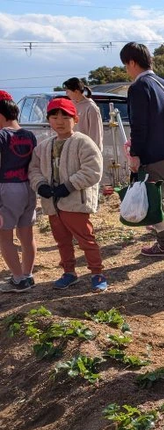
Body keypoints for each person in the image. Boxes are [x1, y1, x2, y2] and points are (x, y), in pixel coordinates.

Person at [28, 98, 107, 292]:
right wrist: (40, 185)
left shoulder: (83, 142)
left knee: (85, 239)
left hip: (75, 201)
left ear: (75, 119)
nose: (60, 121)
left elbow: (93, 170)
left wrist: (69, 185)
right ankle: (69, 272)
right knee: (62, 240)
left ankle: (97, 272)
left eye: (65, 117)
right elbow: (33, 169)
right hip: (52, 202)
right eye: (54, 117)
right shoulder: (43, 146)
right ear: (48, 120)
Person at [120, 42, 164, 258]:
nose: (127, 70)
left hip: (155, 153)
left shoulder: (139, 87)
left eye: (126, 65)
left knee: (155, 199)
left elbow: (139, 125)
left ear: (132, 62)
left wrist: (135, 154)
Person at [0, 90, 38, 292]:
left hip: (6, 188)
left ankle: (17, 279)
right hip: (28, 187)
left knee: (4, 237)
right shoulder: (29, 135)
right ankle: (27, 275)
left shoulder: (1, 135)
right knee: (27, 235)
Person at [62, 77, 103, 150]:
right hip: (71, 148)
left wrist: (95, 151)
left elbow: (96, 132)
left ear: (76, 91)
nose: (66, 94)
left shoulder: (91, 107)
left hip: (86, 149)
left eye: (68, 91)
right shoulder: (70, 105)